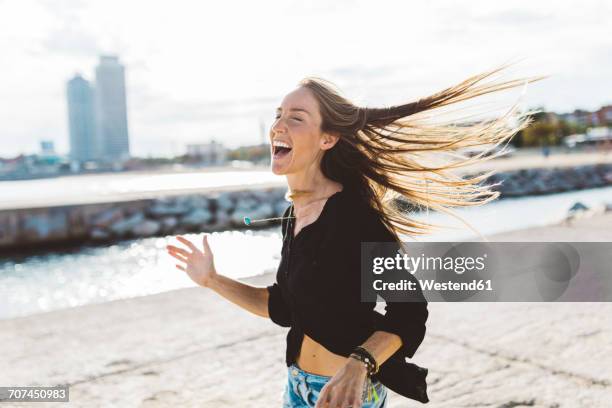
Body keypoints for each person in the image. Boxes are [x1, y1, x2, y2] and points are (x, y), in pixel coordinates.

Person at [166, 63, 545, 407]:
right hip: (297, 388)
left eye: (296, 118)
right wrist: (213, 280)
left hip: (348, 393)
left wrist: (358, 365)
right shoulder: (294, 214)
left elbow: (409, 311)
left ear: (327, 139)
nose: (278, 125)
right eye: (278, 115)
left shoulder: (355, 219)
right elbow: (283, 308)